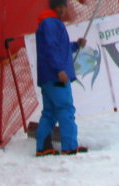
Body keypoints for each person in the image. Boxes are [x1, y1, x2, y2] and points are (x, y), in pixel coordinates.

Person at [34, 0, 88, 157]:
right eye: (64, 7)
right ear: (58, 7)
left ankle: (43, 147)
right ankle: (69, 147)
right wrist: (59, 70)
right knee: (66, 109)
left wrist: (76, 45)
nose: (65, 10)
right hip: (55, 76)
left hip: (47, 77)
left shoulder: (48, 23)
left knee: (50, 112)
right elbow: (51, 49)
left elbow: (59, 48)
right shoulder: (51, 23)